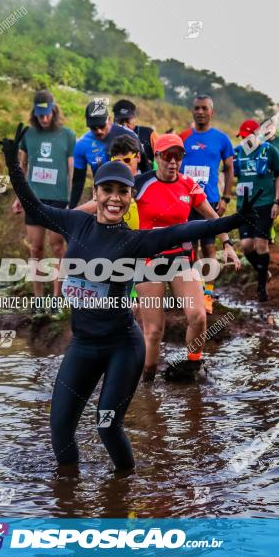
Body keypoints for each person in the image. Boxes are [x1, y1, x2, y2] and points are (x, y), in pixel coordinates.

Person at [0, 123, 259, 471]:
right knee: (60, 429)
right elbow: (33, 203)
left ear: (131, 197)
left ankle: (124, 494)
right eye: (108, 190)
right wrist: (14, 165)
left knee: (107, 426)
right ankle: (69, 500)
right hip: (83, 345)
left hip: (122, 346)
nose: (115, 198)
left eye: (123, 191)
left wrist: (234, 221)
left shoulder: (134, 241)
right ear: (97, 191)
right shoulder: (75, 224)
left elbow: (186, 229)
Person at [77, 134, 240, 381]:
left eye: (178, 156)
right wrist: (65, 217)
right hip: (148, 262)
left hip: (180, 259)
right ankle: (148, 381)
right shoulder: (139, 184)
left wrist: (227, 243)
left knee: (198, 316)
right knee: (154, 331)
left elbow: (212, 217)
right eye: (167, 156)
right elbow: (101, 202)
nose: (173, 162)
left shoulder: (189, 185)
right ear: (157, 158)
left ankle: (191, 367)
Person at [15, 90, 76, 301]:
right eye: (40, 114)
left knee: (58, 247)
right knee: (36, 248)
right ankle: (38, 298)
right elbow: (22, 167)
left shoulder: (67, 135)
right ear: (34, 112)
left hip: (58, 199)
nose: (44, 118)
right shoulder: (27, 135)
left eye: (47, 113)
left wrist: (71, 200)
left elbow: (71, 170)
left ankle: (58, 298)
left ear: (54, 110)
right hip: (34, 198)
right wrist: (18, 197)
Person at [178, 95, 235, 313]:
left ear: (212, 112)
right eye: (196, 108)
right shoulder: (183, 137)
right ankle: (193, 292)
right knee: (189, 249)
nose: (200, 112)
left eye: (204, 108)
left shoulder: (221, 139)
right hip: (185, 202)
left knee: (209, 248)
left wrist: (226, 197)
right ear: (192, 111)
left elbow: (229, 168)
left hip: (210, 200)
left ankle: (208, 295)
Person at [234, 119, 279, 302]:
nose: (244, 140)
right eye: (242, 137)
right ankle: (264, 271)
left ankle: (261, 288)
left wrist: (277, 202)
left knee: (261, 244)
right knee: (246, 245)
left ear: (256, 134)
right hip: (244, 206)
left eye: (247, 136)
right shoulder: (237, 152)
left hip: (265, 204)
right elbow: (229, 174)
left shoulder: (270, 150)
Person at [70, 100, 140, 208]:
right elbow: (78, 182)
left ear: (110, 120)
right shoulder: (82, 145)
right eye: (94, 128)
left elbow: (146, 168)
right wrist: (71, 208)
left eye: (102, 126)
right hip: (104, 196)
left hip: (131, 194)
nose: (99, 131)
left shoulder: (129, 135)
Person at [112, 99, 157, 172]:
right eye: (120, 121)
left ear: (134, 118)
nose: (124, 125)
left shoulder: (148, 133)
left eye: (127, 120)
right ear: (114, 121)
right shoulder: (108, 137)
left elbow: (162, 156)